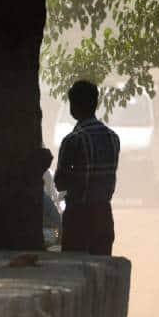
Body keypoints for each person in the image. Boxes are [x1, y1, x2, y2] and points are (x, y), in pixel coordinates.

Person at [54, 80, 120, 255]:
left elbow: (60, 183)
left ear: (73, 106)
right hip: (104, 215)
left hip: (78, 217)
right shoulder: (113, 138)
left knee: (74, 268)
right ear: (95, 104)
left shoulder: (73, 140)